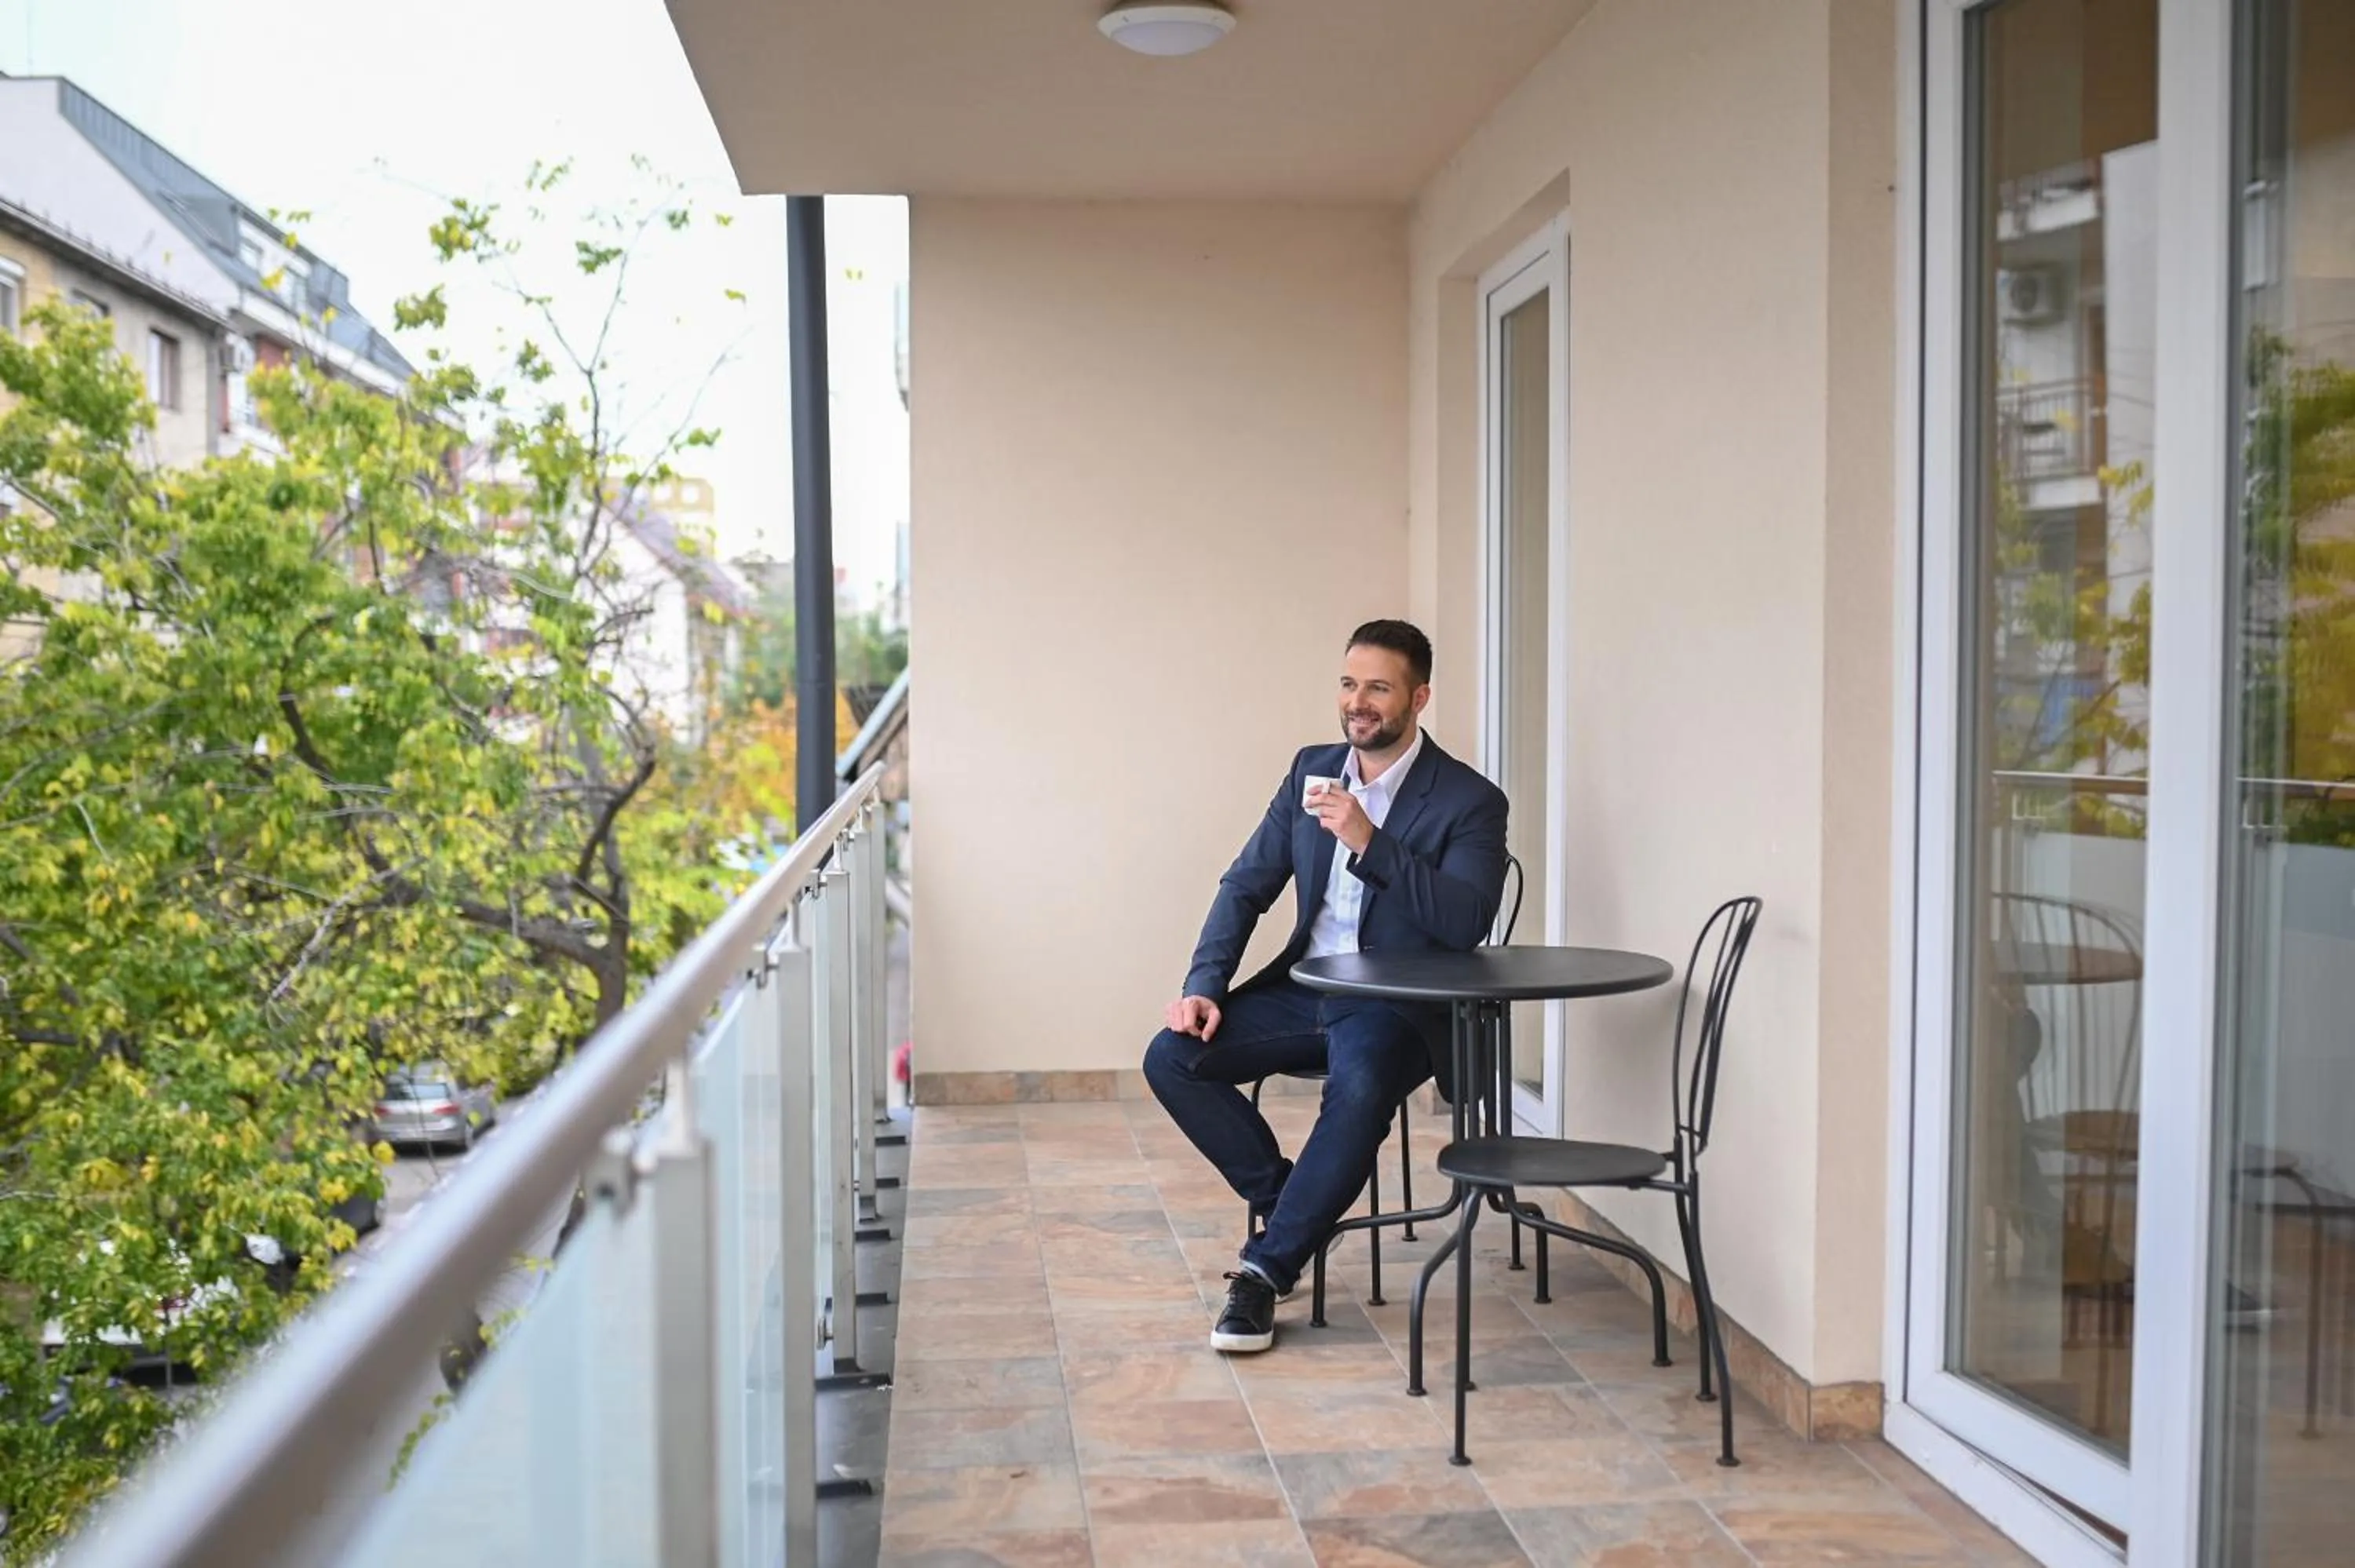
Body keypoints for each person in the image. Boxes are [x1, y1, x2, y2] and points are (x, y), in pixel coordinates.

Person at [1143, 619, 1509, 1354]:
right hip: (1306, 987)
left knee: (1362, 1084)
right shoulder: (1311, 771)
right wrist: (1204, 983)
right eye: (1349, 684)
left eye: (1378, 687)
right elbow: (1246, 885)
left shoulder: (1470, 801)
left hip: (1397, 1004)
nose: (1358, 702)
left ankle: (1266, 1269)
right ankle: (1291, 1208)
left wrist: (1371, 842)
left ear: (1419, 697)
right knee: (1171, 1056)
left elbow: (1465, 920)